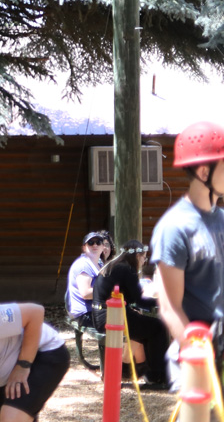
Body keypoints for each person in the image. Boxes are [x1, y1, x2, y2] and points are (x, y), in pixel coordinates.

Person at [150, 120, 224, 390]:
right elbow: (170, 308)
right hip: (200, 353)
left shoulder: (222, 219)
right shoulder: (174, 228)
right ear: (204, 172)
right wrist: (196, 357)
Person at [92, 240, 169, 387]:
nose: (144, 261)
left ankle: (149, 373)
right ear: (137, 256)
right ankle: (158, 376)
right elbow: (139, 300)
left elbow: (131, 299)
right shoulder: (127, 269)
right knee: (159, 327)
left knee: (149, 328)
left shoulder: (113, 265)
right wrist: (163, 303)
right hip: (111, 316)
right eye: (144, 257)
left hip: (101, 315)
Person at [65, 231, 105, 324]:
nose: (95, 245)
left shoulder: (99, 264)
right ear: (84, 247)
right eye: (90, 243)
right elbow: (86, 293)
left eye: (98, 242)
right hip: (84, 314)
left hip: (95, 310)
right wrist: (109, 291)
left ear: (103, 247)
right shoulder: (83, 265)